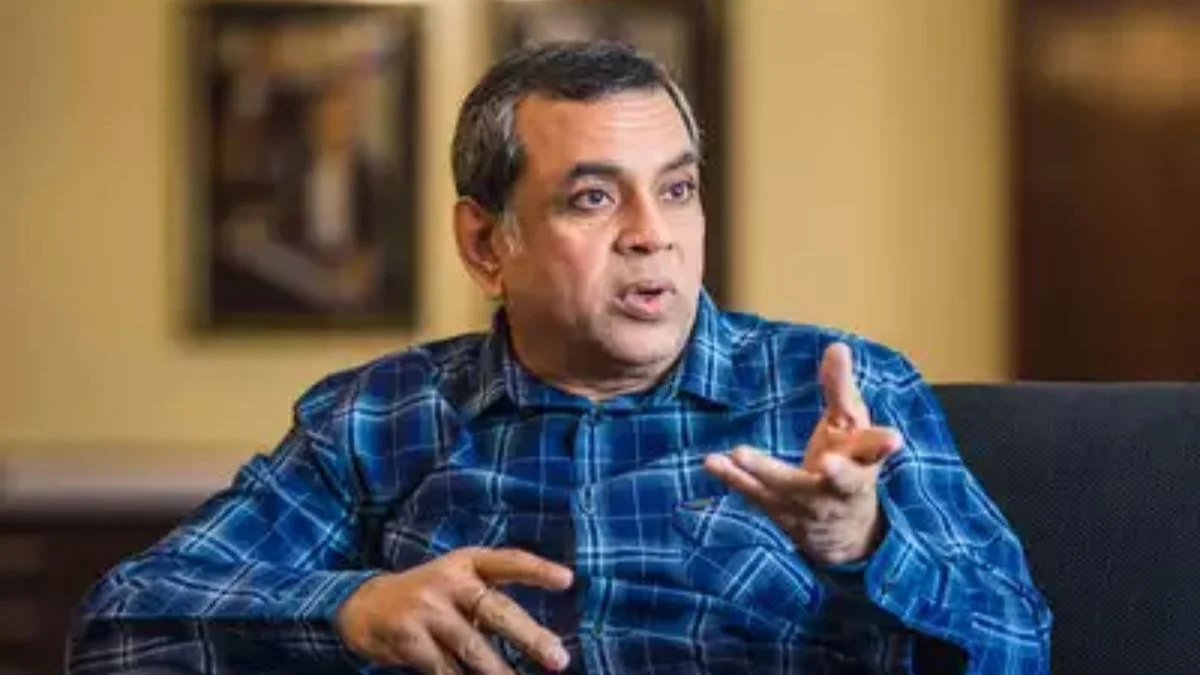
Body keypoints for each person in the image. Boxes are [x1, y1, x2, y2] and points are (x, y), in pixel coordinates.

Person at [68, 41, 1051, 674]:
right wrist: (350, 606)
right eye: (594, 197)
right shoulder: (379, 416)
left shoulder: (840, 390)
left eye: (676, 190)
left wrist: (861, 544)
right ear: (485, 243)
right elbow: (120, 630)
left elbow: (1019, 648)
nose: (651, 234)